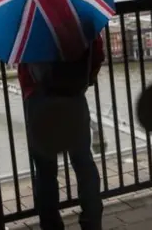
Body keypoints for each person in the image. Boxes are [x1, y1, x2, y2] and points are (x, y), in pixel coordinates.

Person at [18, 35, 105, 230]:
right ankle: (92, 222)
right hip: (73, 97)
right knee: (83, 162)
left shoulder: (27, 23)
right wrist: (84, 80)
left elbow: (21, 60)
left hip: (39, 102)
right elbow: (97, 53)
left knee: (45, 171)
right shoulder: (79, 15)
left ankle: (51, 226)